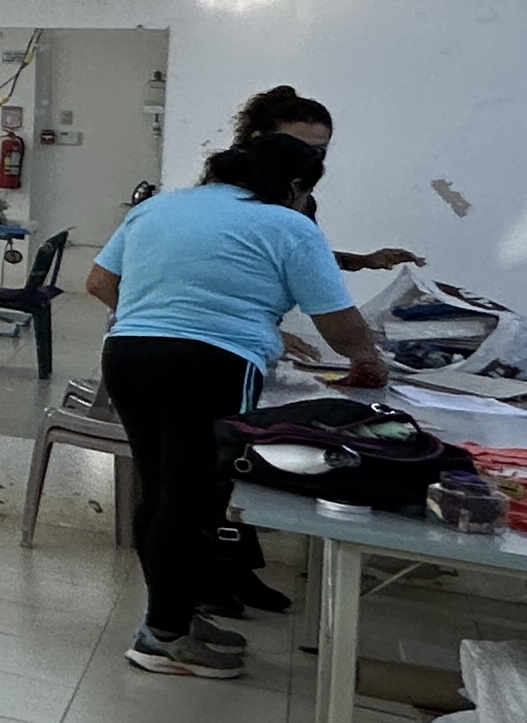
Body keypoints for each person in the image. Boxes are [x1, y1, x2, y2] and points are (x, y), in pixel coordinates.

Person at [83, 136, 389, 679]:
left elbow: (99, 282)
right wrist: (367, 358)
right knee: (193, 497)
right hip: (214, 366)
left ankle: (171, 616)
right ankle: (164, 638)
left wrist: (161, 313)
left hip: (128, 355)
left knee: (159, 490)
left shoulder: (157, 208)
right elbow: (337, 322)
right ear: (294, 186)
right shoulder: (289, 225)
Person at [227, 87, 425, 274]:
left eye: (316, 153)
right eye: (291, 147)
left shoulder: (303, 201)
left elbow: (304, 259)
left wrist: (363, 261)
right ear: (257, 140)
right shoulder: (225, 198)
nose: (303, 161)